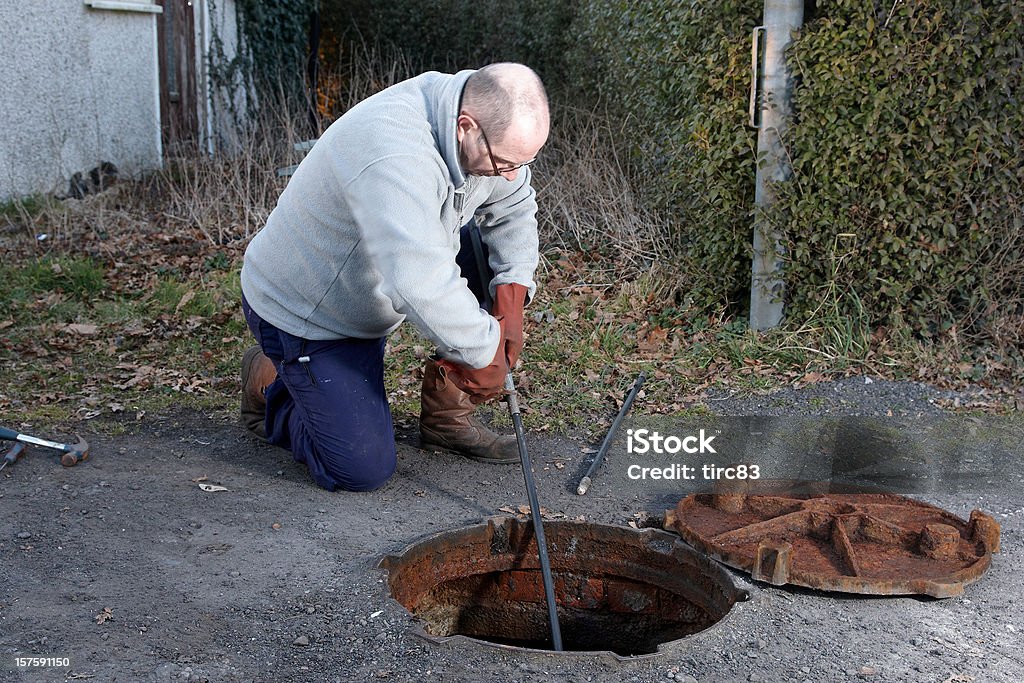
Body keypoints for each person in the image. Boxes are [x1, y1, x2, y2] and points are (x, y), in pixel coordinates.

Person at [238, 62, 550, 492]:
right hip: (309, 312)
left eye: (525, 162)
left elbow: (514, 204)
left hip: (372, 282)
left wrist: (511, 298)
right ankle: (271, 383)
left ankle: (445, 421)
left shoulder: (483, 130)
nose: (513, 174)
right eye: (506, 163)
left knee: (482, 257)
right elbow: (416, 279)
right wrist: (485, 352)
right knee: (361, 468)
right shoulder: (395, 151)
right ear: (465, 127)